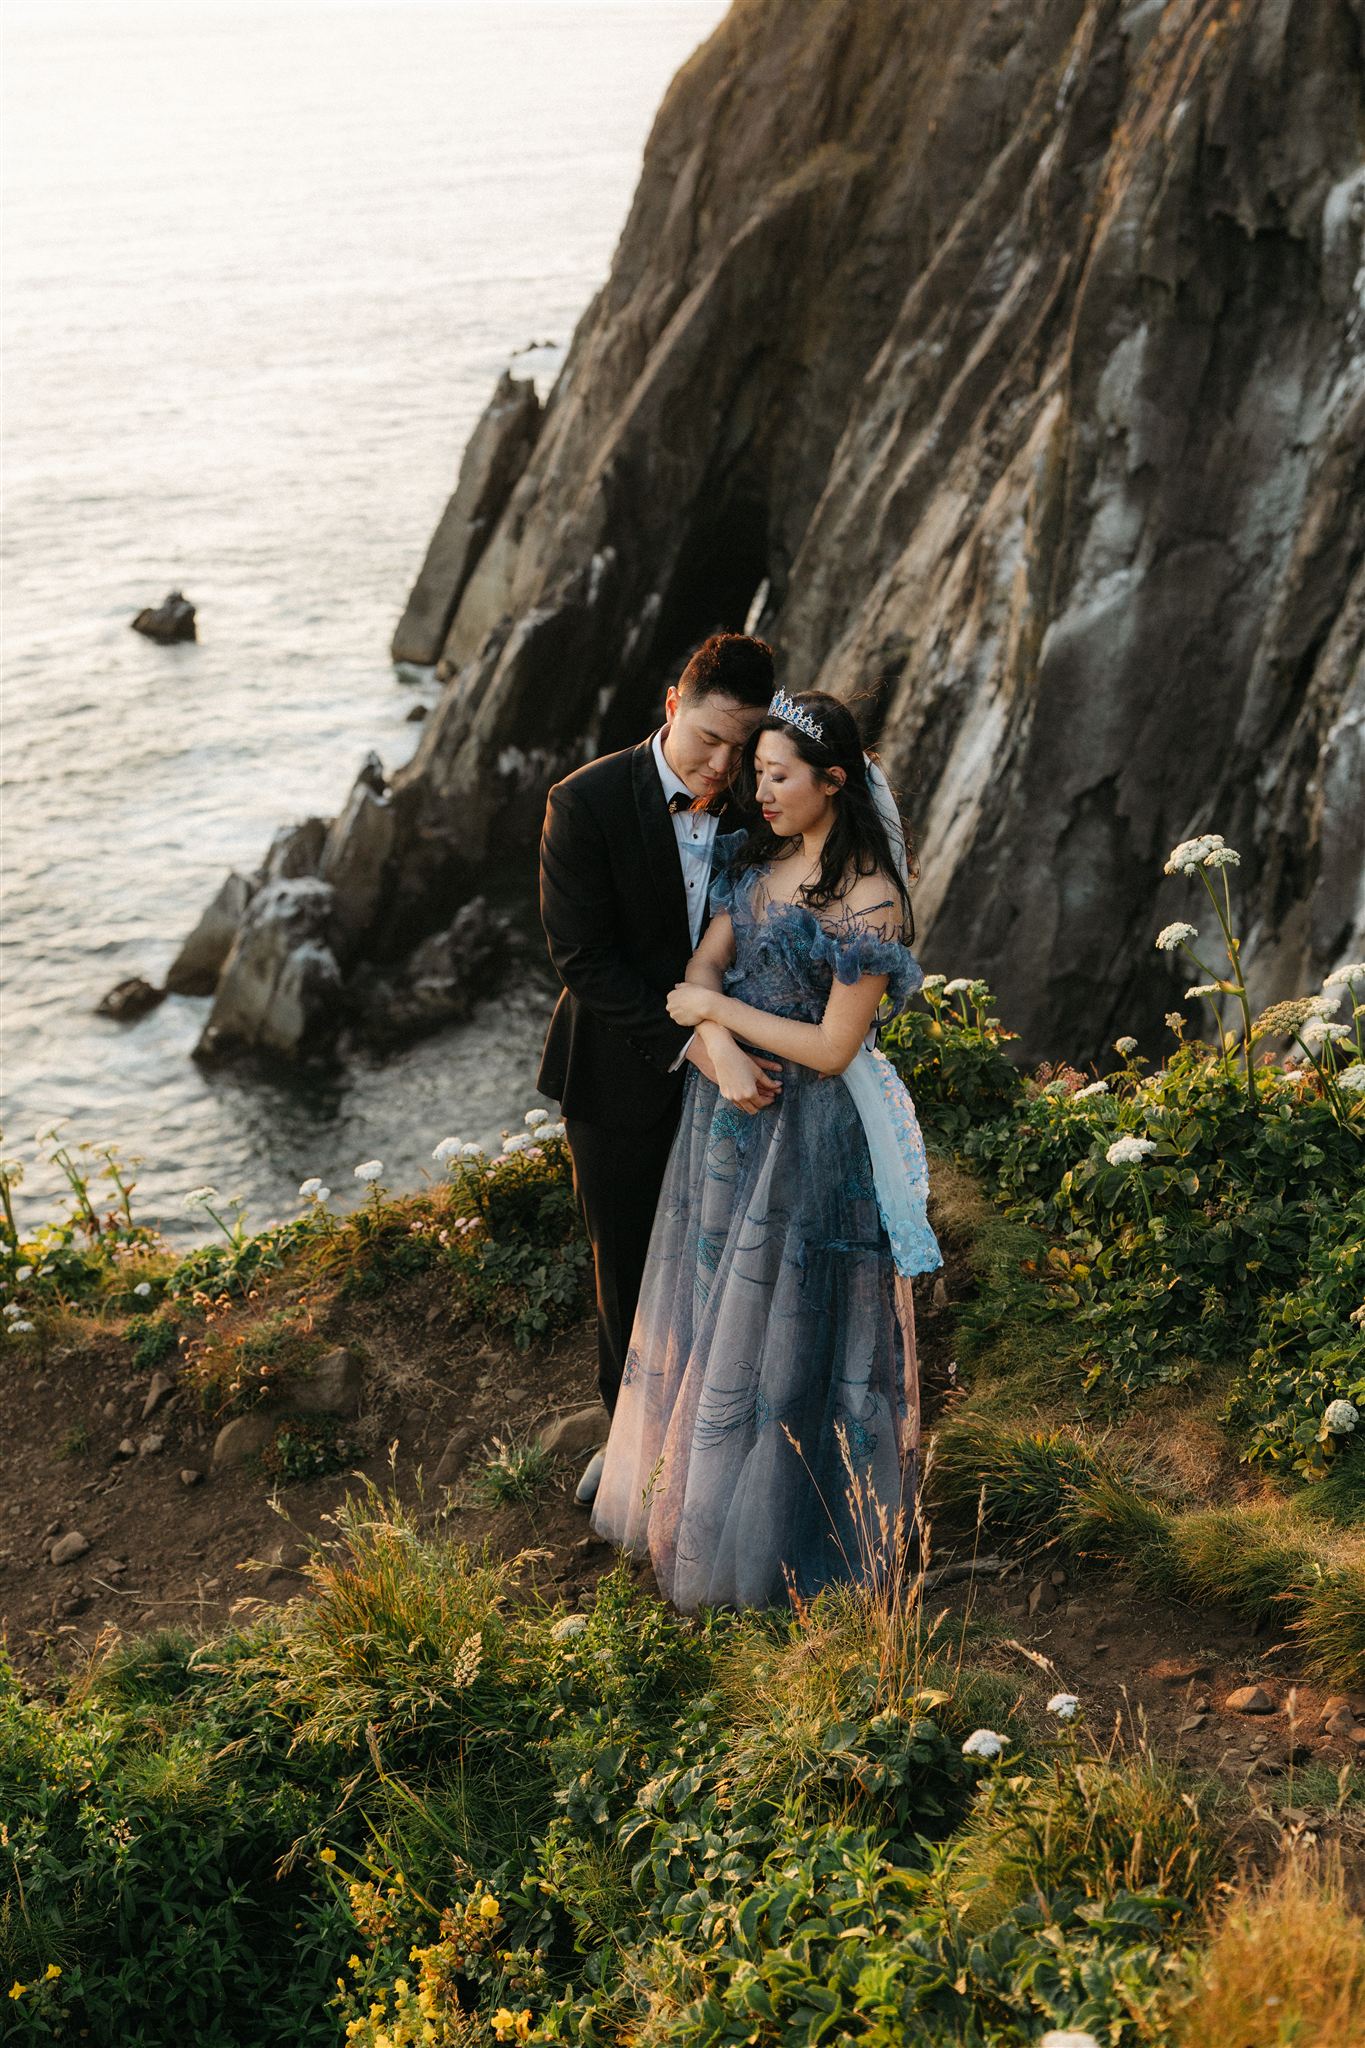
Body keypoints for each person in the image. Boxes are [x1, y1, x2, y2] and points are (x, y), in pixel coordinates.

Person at [589, 688, 942, 1611]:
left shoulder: (870, 901)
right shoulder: (758, 857)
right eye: (757, 771)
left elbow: (832, 1048)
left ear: (835, 782)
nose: (760, 789)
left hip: (812, 1135)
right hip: (727, 1119)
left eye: (778, 775)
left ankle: (784, 1537)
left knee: (791, 1333)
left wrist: (714, 1014)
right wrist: (717, 1038)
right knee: (714, 1313)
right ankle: (690, 1507)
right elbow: (703, 962)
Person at [536, 633, 780, 1504]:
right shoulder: (585, 801)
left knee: (731, 1255)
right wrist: (694, 1043)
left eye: (742, 747)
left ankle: (721, 1435)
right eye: (709, 739)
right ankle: (632, 1442)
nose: (723, 765)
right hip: (613, 1077)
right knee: (628, 1267)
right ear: (672, 708)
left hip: (751, 1079)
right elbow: (584, 959)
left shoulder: (766, 803)